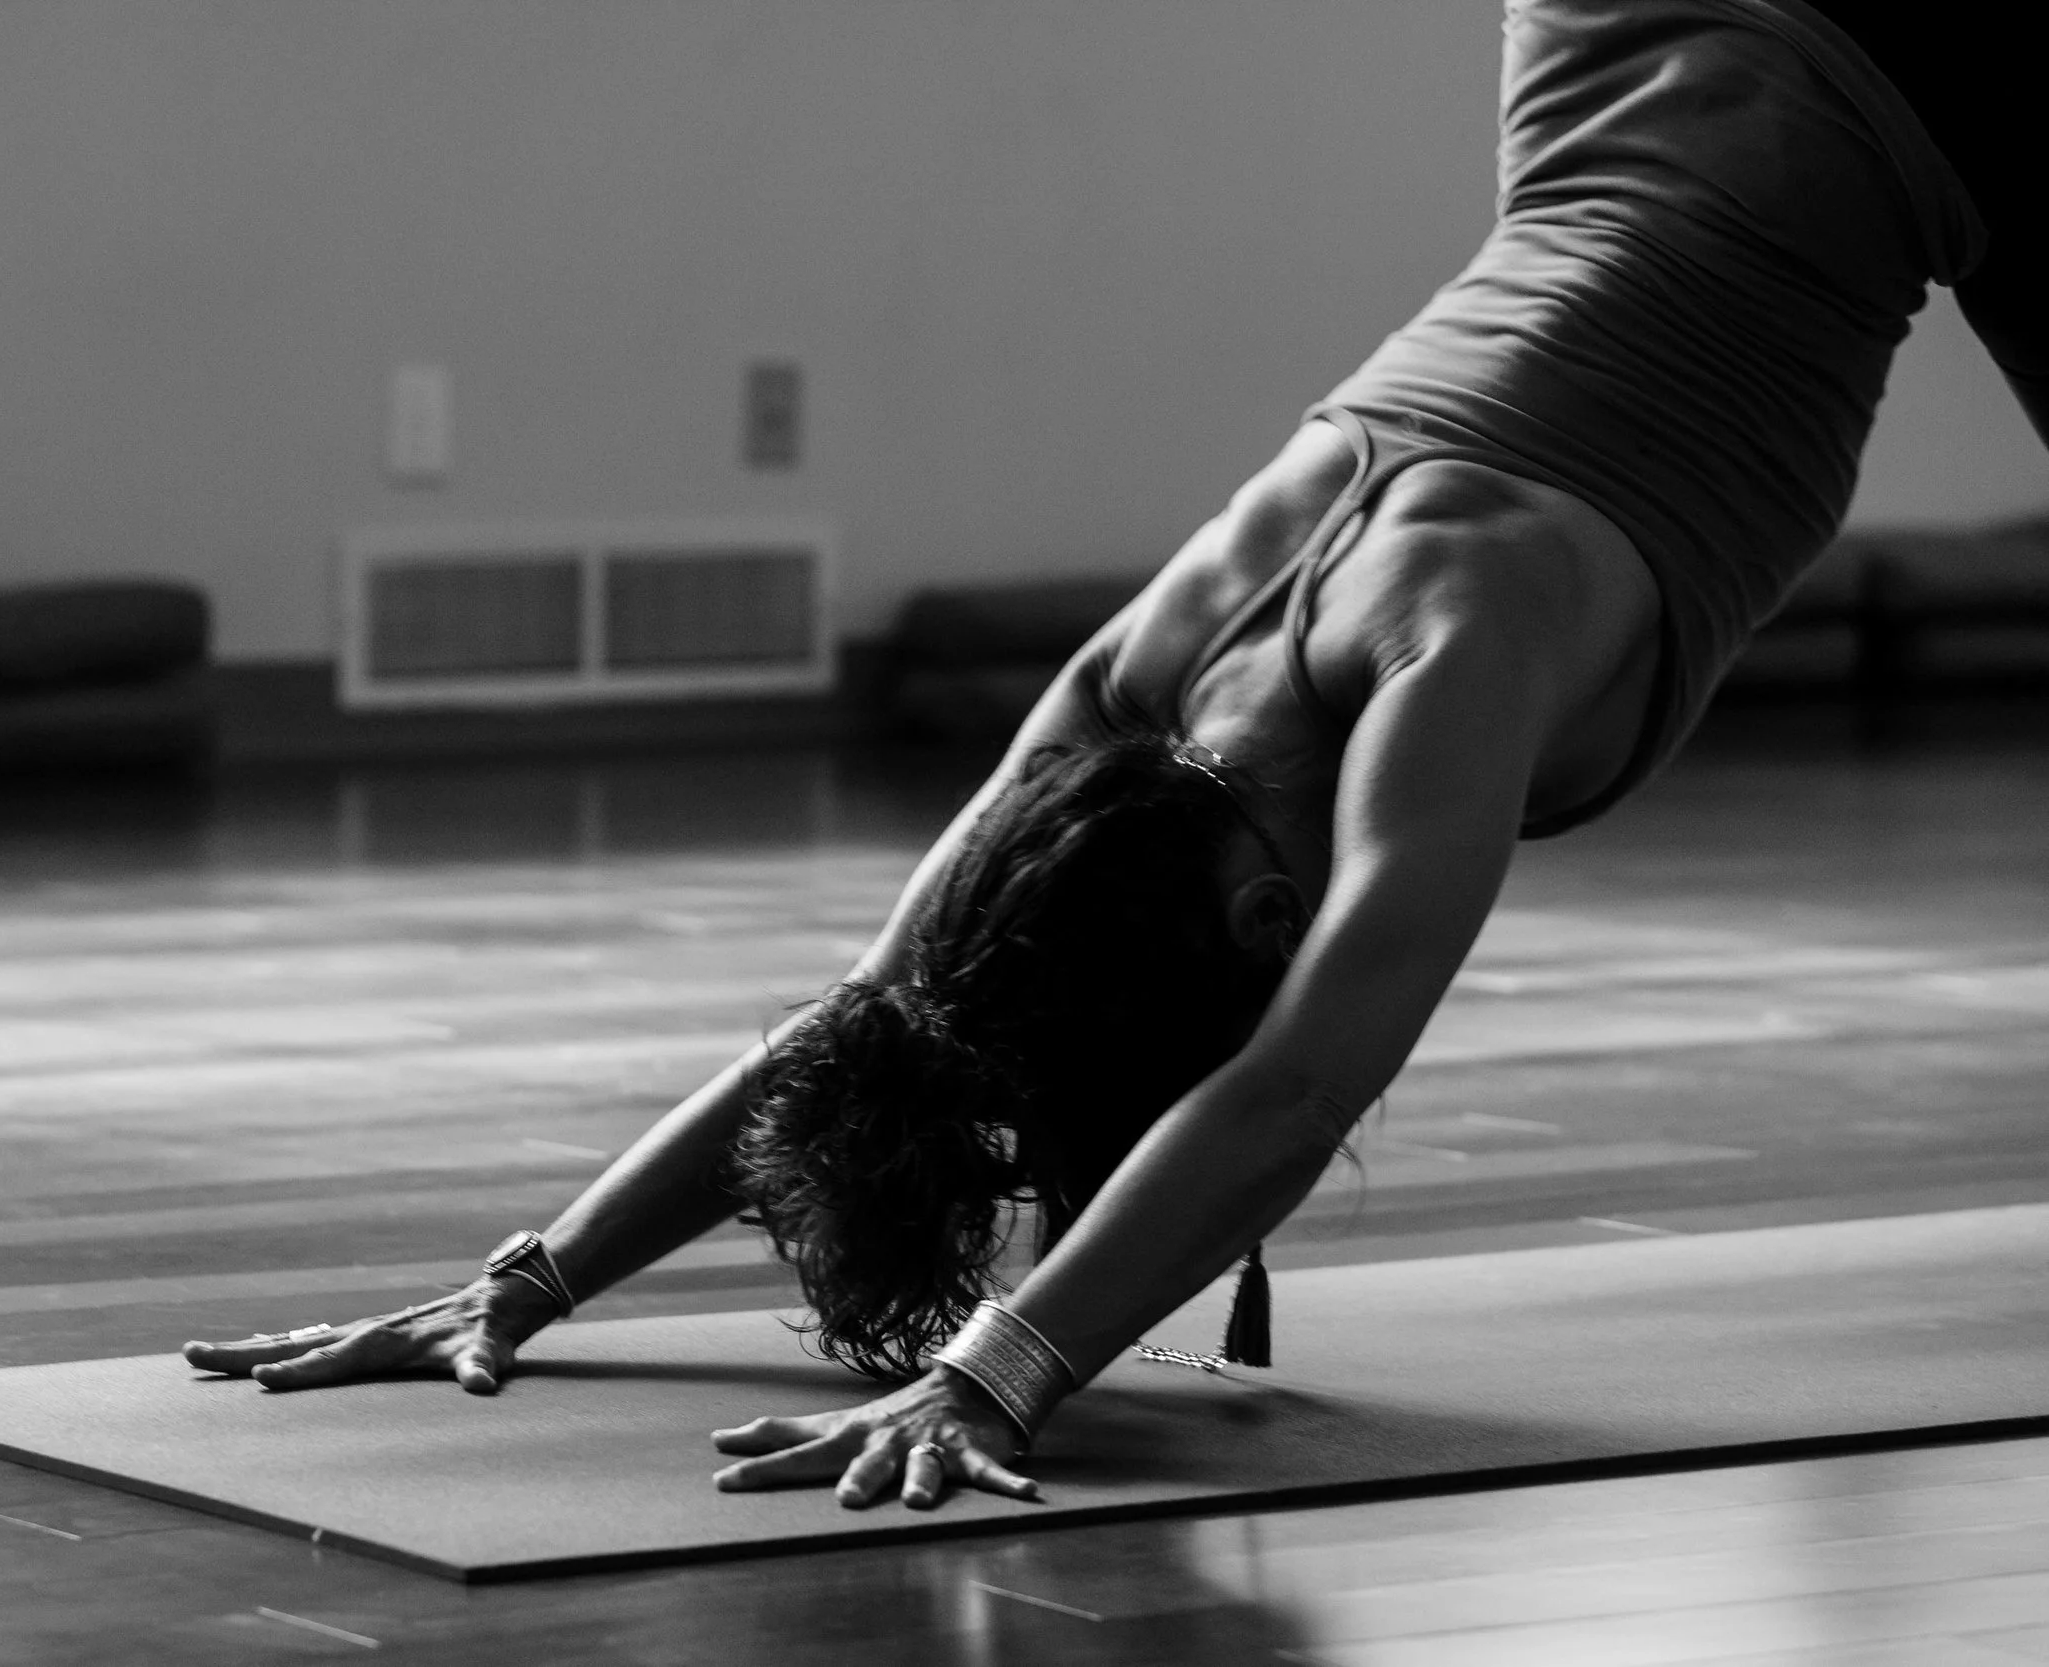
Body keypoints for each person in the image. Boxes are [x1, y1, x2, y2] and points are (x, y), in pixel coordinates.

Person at [187, 0, 2043, 1512]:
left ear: (1256, 910)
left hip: (1885, 87)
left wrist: (1001, 1374)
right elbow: (872, 1017)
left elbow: (1293, 1093)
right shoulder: (1126, 695)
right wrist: (532, 1278)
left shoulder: (1446, 661)